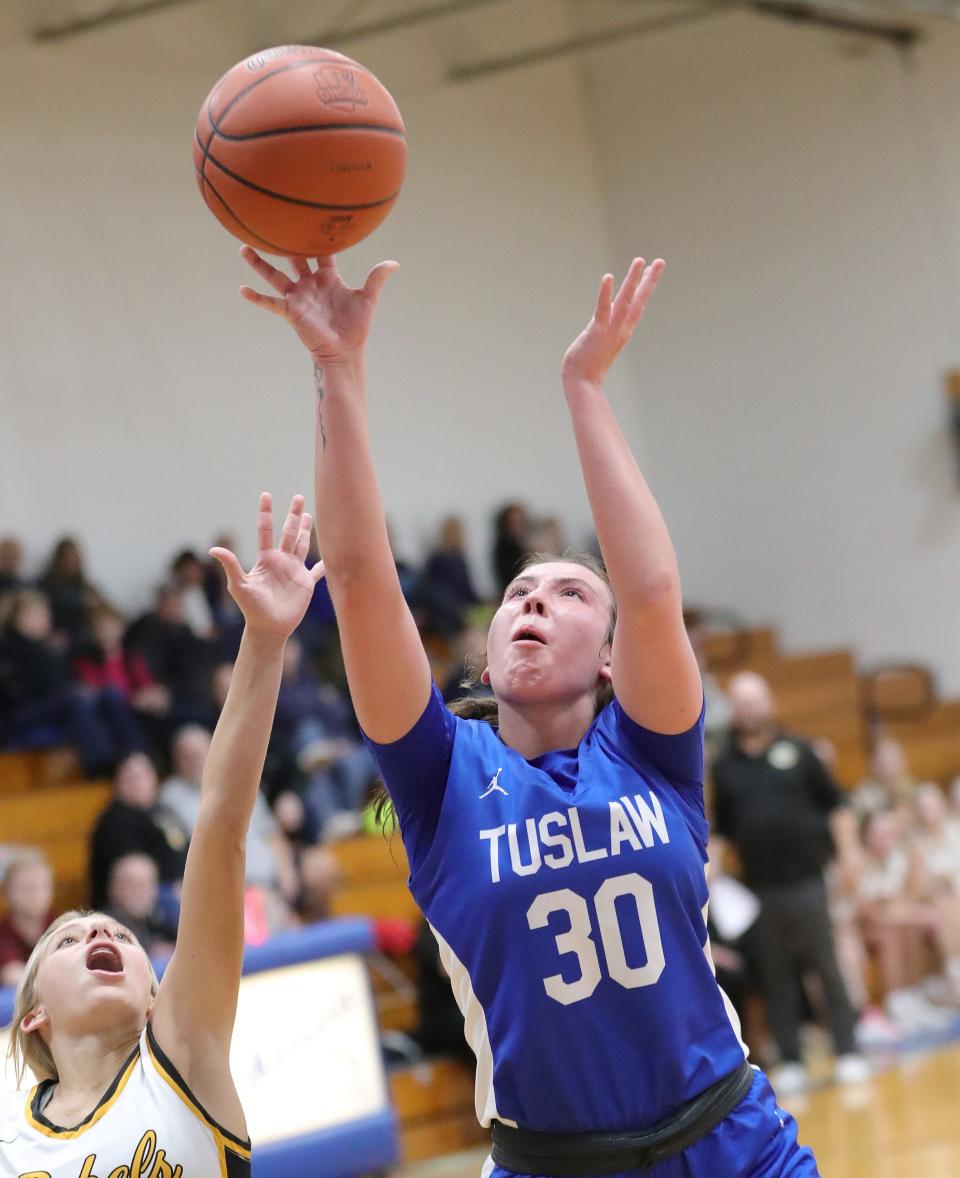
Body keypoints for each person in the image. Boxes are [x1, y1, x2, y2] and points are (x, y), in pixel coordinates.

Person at [240, 247, 819, 1175]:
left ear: (611, 660)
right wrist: (336, 366)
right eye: (519, 593)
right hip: (555, 1161)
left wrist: (584, 384)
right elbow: (355, 578)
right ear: (489, 639)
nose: (536, 602)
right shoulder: (439, 778)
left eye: (570, 595)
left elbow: (654, 585)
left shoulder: (654, 751)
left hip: (729, 1143)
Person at [1, 492, 324, 1176]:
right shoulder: (10, 1144)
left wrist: (263, 640)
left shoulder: (182, 1050)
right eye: (69, 938)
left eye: (118, 934)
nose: (100, 934)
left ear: (156, 992)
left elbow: (222, 823)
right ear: (31, 1016)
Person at [712, 672, 869, 1096]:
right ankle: (793, 1058)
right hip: (759, 889)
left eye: (755, 700)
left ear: (770, 704)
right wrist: (711, 870)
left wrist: (850, 853)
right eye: (741, 702)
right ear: (734, 710)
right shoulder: (725, 767)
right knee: (775, 975)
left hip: (807, 881)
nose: (749, 709)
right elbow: (723, 829)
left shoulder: (800, 751)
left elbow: (837, 805)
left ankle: (848, 1049)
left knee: (826, 966)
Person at [89, 752, 189, 910]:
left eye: (143, 775)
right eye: (131, 777)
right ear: (117, 782)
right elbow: (132, 876)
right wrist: (172, 891)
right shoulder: (117, 821)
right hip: (145, 904)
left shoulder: (161, 810)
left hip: (180, 892)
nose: (138, 782)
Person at [0, 852, 55, 988]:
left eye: (42, 887)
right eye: (25, 888)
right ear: (6, 893)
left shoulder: (61, 926)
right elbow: (12, 976)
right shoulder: (3, 934)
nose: (35, 895)